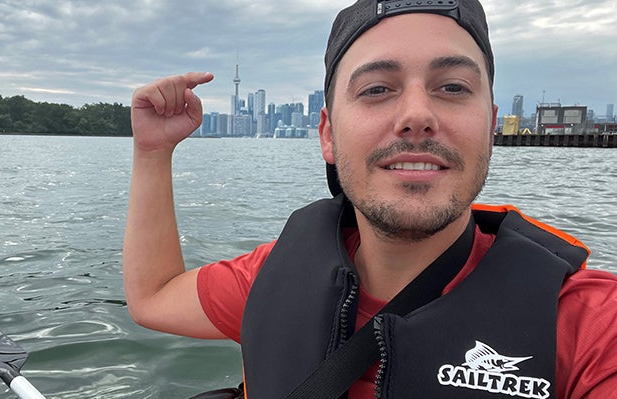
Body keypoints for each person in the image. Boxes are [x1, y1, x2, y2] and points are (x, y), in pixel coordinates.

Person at [123, 0, 617, 397]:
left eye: (452, 86)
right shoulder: (272, 277)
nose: (417, 114)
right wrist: (152, 152)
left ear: (490, 127)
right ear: (329, 136)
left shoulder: (590, 326)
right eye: (377, 88)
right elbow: (154, 298)